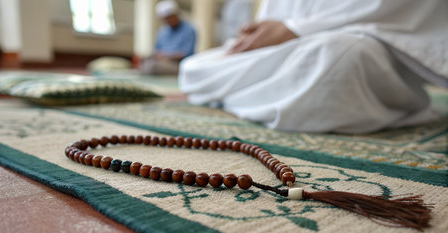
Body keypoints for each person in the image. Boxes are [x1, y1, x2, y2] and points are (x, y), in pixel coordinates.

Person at [179, 0, 448, 133]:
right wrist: (259, 32)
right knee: (194, 66)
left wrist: (296, 28)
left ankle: (242, 95)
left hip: (367, 36)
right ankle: (261, 95)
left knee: (334, 59)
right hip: (285, 47)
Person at [140, 0, 196, 75]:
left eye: (169, 17)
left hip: (179, 64)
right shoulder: (162, 31)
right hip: (161, 62)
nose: (168, 20)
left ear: (176, 14)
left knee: (153, 67)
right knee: (145, 64)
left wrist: (166, 56)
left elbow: (186, 54)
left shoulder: (189, 29)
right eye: (165, 18)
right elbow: (156, 51)